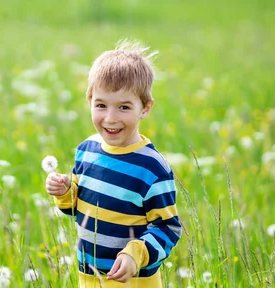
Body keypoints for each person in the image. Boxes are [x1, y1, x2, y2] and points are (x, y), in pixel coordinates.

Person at [45, 40, 181, 287]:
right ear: (89, 101)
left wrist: (134, 255)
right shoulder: (86, 150)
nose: (110, 118)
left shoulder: (152, 168)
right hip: (88, 277)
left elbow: (168, 228)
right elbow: (76, 211)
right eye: (101, 105)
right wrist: (65, 193)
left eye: (124, 107)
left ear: (145, 108)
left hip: (135, 281)